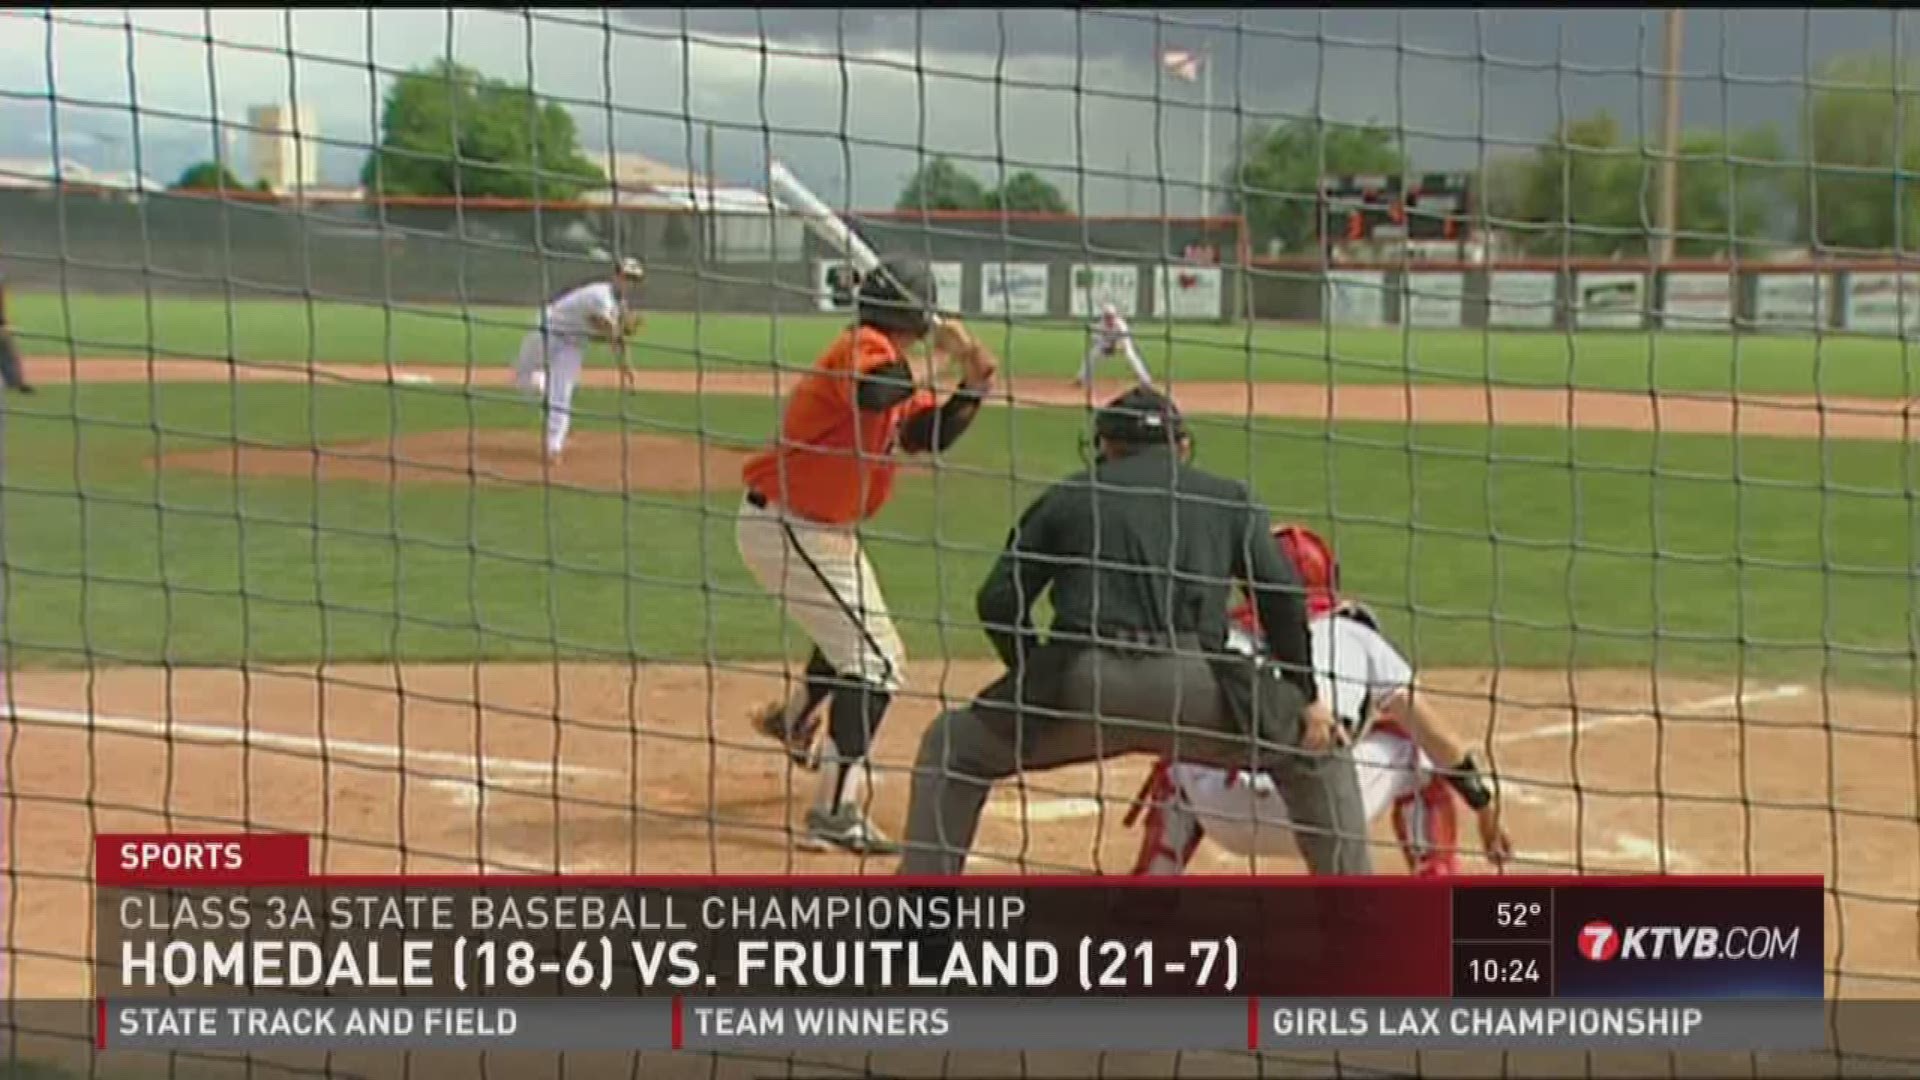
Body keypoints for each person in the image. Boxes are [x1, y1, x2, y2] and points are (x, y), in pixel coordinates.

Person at [897, 386, 1372, 876]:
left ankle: (919, 925)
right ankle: (1357, 919)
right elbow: (1281, 597)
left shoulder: (1069, 495)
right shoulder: (1230, 498)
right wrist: (1305, 694)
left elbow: (997, 599)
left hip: (1082, 685)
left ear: (1104, 445)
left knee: (952, 747)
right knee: (1319, 753)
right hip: (1199, 692)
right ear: (1181, 447)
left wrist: (1032, 678)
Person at [736, 257, 1000, 855]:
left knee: (859, 639)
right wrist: (949, 353)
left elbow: (921, 435)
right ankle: (833, 811)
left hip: (819, 531)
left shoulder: (884, 352)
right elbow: (881, 391)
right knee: (877, 659)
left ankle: (794, 718)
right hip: (790, 526)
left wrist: (973, 385)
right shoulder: (861, 348)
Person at [1128, 524, 1516, 876]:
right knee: (1416, 746)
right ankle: (1434, 886)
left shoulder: (1219, 638)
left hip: (1225, 814)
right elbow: (1437, 736)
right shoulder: (1353, 635)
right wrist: (1483, 806)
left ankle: (1152, 887)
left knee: (1177, 756)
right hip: (1324, 811)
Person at [511, 257, 646, 463]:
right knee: (523, 379)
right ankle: (543, 386)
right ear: (616, 276)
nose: (629, 283)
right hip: (548, 333)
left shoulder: (619, 304)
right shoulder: (598, 296)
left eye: (634, 280)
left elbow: (606, 337)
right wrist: (624, 336)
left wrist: (626, 363)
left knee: (562, 393)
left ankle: (554, 447)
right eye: (626, 277)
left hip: (572, 345)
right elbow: (607, 332)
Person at [1073, 302, 1152, 389]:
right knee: (1092, 355)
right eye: (1107, 316)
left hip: (1121, 345)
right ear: (1104, 316)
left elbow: (1125, 342)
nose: (1109, 318)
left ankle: (1145, 380)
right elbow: (1096, 340)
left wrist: (1115, 347)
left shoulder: (1121, 325)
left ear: (1115, 315)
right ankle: (1081, 379)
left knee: (1131, 356)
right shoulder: (1100, 325)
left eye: (1111, 316)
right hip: (1105, 345)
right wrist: (1106, 347)